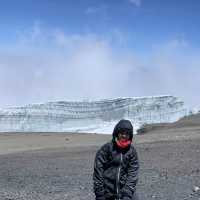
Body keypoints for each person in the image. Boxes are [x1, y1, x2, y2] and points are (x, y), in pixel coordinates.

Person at [93, 119, 139, 200]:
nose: (124, 136)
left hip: (124, 189)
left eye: (127, 133)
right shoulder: (106, 149)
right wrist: (100, 192)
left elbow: (133, 173)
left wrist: (127, 192)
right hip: (107, 190)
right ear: (117, 133)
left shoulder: (132, 152)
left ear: (130, 135)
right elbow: (98, 171)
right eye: (122, 133)